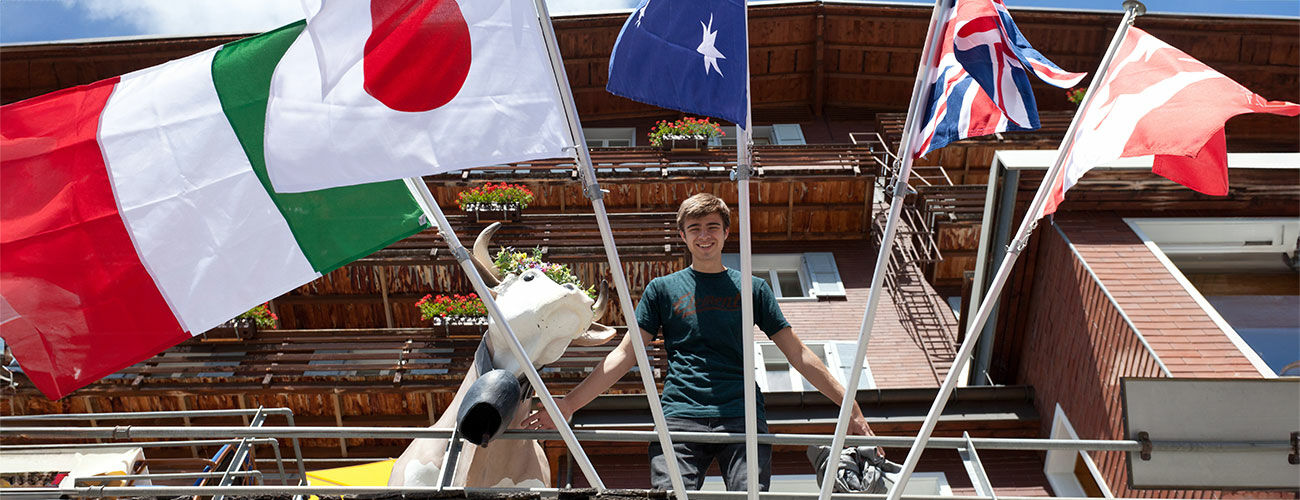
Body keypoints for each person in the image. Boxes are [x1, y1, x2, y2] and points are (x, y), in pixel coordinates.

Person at [524, 193, 875, 490]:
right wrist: (568, 404)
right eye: (694, 228)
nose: (703, 235)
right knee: (670, 497)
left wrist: (851, 408)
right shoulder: (662, 289)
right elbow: (627, 353)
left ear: (725, 232)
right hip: (679, 415)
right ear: (683, 235)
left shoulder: (753, 289)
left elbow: (798, 354)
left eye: (711, 227)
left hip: (742, 415)